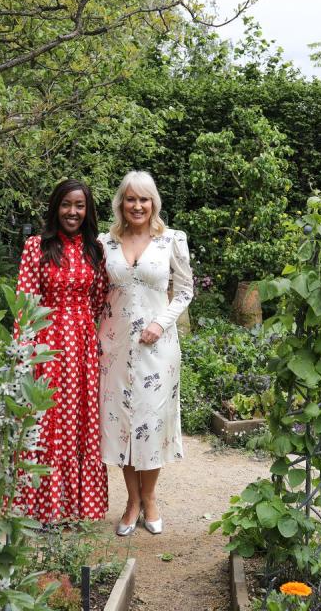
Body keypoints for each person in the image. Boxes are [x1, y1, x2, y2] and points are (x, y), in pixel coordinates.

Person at [98, 170, 194, 536]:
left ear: (154, 202)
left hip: (158, 349)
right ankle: (131, 501)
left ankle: (150, 498)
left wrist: (161, 322)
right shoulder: (104, 242)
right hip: (115, 348)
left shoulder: (172, 240)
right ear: (121, 202)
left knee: (151, 423)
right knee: (123, 423)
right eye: (131, 198)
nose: (137, 205)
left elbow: (185, 291)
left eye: (144, 199)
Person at [16, 178, 109, 524]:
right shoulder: (36, 247)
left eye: (80, 206)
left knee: (81, 422)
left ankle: (77, 508)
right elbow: (25, 303)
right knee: (48, 421)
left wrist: (85, 333)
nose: (73, 212)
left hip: (83, 348)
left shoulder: (95, 249)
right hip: (47, 344)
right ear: (56, 207)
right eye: (67, 205)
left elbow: (98, 299)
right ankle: (43, 507)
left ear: (88, 211)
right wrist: (25, 353)